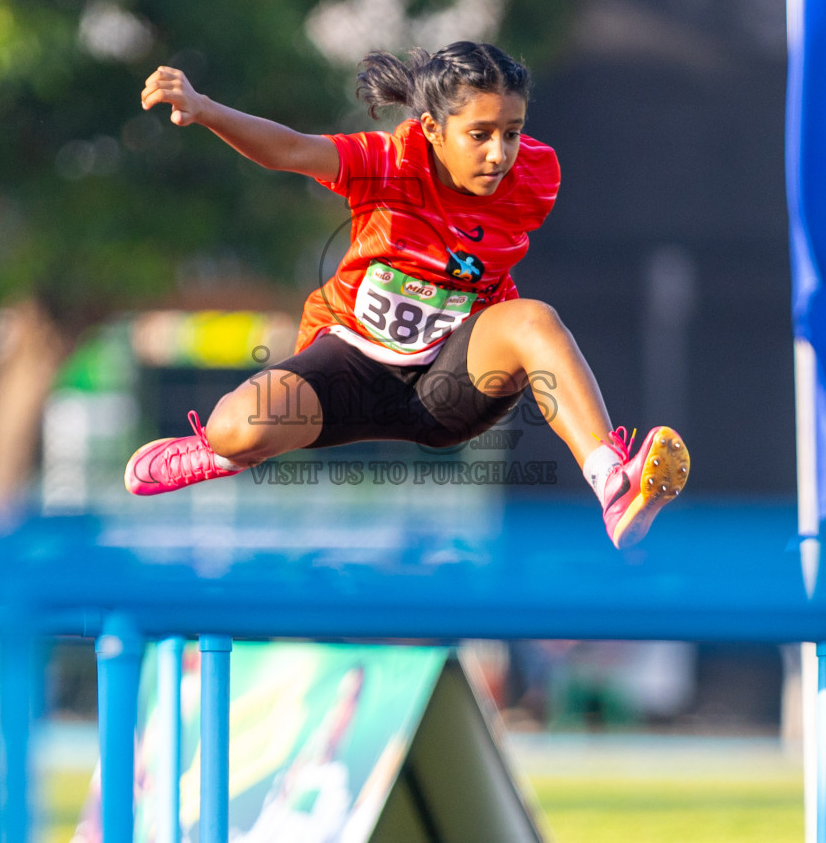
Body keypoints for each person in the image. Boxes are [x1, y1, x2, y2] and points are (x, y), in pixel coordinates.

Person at [124, 41, 688, 548]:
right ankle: (220, 453)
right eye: (479, 134)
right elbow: (290, 150)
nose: (499, 154)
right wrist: (205, 110)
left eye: (511, 132)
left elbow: (509, 297)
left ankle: (612, 481)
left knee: (534, 318)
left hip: (452, 386)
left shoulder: (535, 176)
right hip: (351, 364)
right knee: (235, 427)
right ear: (432, 129)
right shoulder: (388, 162)